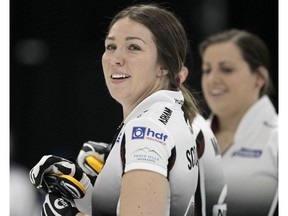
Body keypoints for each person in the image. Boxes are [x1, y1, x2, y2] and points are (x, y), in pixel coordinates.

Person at [29, 3, 202, 216]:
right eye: (110, 46)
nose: (115, 59)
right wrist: (86, 189)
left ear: (164, 66)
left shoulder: (146, 129)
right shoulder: (169, 115)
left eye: (133, 47)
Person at [199, 29, 278, 216]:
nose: (212, 79)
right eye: (207, 70)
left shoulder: (278, 138)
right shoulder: (189, 135)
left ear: (259, 77)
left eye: (226, 69)